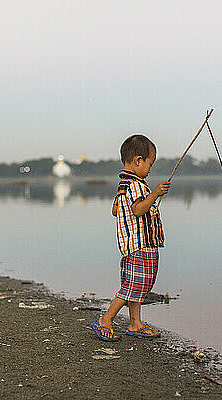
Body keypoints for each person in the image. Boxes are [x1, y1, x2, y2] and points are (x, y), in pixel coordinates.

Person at [90, 134, 170, 341]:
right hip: (139, 245)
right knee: (133, 286)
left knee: (137, 284)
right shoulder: (136, 186)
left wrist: (145, 200)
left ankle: (135, 323)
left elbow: (116, 210)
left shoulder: (124, 185)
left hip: (130, 244)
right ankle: (106, 319)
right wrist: (155, 195)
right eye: (150, 164)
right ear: (138, 161)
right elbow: (136, 210)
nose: (150, 169)